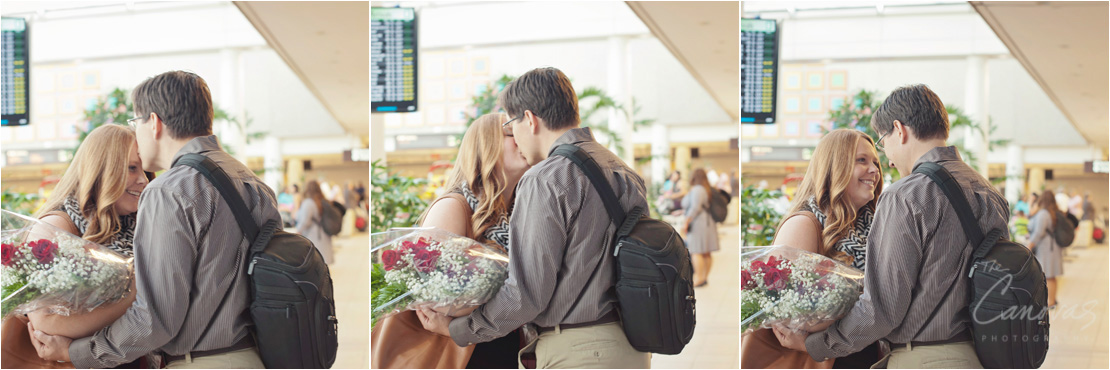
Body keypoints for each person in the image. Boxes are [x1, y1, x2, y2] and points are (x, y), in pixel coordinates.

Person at [29, 70, 279, 368]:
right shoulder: (252, 183)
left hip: (198, 361)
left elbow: (155, 319)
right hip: (253, 357)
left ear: (155, 123)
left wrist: (76, 353)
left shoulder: (169, 190)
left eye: (137, 123)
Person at [416, 67, 652, 368]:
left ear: (529, 119)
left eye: (512, 125)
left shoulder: (545, 178)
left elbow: (526, 294)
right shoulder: (621, 169)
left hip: (579, 349)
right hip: (629, 343)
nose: (514, 134)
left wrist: (458, 329)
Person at [775, 84, 1009, 368]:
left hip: (924, 358)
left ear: (899, 130)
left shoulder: (905, 195)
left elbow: (882, 310)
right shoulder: (988, 191)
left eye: (882, 143)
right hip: (981, 355)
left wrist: (816, 345)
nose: (885, 160)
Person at [371, 112, 530, 369]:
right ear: (486, 146)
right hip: (459, 350)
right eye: (511, 134)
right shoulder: (454, 207)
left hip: (498, 344)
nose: (523, 139)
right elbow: (427, 294)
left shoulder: (517, 210)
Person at [1, 125, 149, 369]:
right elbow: (46, 323)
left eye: (145, 169)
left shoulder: (135, 224)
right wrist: (135, 294)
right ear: (101, 170)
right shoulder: (58, 226)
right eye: (132, 168)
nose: (143, 179)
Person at [740, 129, 883, 369]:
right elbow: (780, 311)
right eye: (862, 160)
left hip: (861, 355)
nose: (874, 170)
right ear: (834, 166)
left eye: (876, 162)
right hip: (817, 359)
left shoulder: (874, 226)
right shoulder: (805, 224)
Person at [684, 168, 720, 287]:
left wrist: (686, 222)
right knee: (705, 252)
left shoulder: (698, 189)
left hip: (699, 223)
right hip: (706, 222)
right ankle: (704, 277)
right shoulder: (706, 188)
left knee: (696, 251)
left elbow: (695, 208)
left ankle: (700, 278)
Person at [1028, 191, 1063, 308]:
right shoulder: (1053, 212)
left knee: (1048, 275)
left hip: (1047, 248)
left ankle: (1051, 302)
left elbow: (1039, 232)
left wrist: (1029, 245)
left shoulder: (1043, 213)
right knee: (1051, 275)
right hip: (1052, 247)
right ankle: (1053, 300)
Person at [297, 180, 334, 265]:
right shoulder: (323, 201)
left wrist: (299, 230)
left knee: (316, 262)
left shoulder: (308, 203)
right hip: (324, 233)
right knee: (324, 263)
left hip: (313, 235)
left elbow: (305, 221)